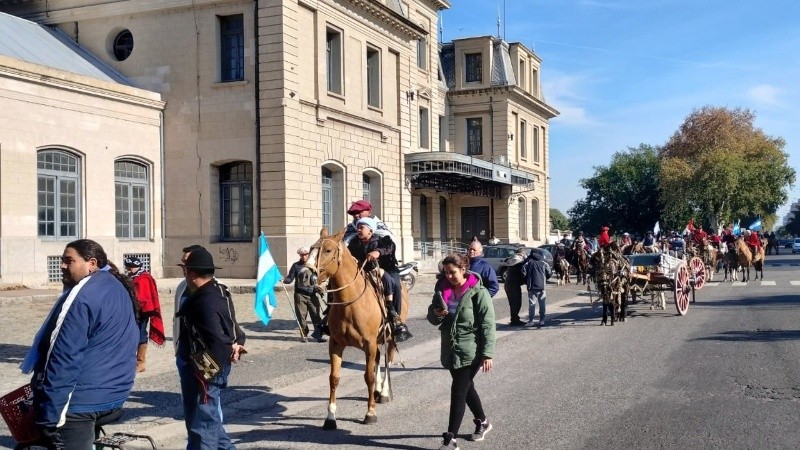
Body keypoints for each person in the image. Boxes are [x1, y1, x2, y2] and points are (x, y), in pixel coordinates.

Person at [21, 239, 140, 449]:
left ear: (91, 263)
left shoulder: (83, 296)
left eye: (69, 261)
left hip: (81, 402)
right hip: (114, 393)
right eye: (62, 260)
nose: (62, 266)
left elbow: (64, 357)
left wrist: (50, 417)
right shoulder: (115, 285)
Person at [176, 246, 245, 450]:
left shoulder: (204, 300)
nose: (184, 274)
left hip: (205, 369)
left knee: (202, 425)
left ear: (193, 273)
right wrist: (238, 341)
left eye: (185, 269)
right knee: (211, 422)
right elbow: (231, 325)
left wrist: (206, 374)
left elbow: (217, 340)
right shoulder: (217, 290)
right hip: (207, 366)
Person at [428, 253, 496, 450]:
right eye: (446, 272)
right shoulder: (442, 290)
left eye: (453, 272)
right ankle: (483, 422)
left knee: (458, 391)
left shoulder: (478, 292)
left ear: (463, 270)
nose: (449, 276)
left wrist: (487, 353)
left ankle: (451, 439)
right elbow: (431, 318)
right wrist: (437, 314)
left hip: (471, 350)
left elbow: (488, 325)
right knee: (466, 389)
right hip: (450, 349)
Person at [347, 217, 411, 341]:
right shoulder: (354, 242)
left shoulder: (382, 239)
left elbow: (390, 247)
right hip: (363, 270)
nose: (359, 230)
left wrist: (378, 252)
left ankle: (396, 318)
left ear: (370, 231)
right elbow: (348, 253)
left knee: (394, 284)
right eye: (358, 228)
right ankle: (328, 317)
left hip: (386, 269)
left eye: (362, 228)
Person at [124, 256, 165, 373]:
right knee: (131, 334)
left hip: (143, 311)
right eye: (128, 268)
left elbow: (145, 296)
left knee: (141, 333)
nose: (129, 270)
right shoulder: (130, 277)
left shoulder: (144, 278)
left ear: (137, 267)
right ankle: (130, 360)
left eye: (130, 268)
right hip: (131, 310)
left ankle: (141, 362)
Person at [283, 247, 326, 343]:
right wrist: (283, 280)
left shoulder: (314, 265)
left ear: (309, 254)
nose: (304, 256)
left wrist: (321, 288)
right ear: (299, 255)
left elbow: (320, 278)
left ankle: (318, 335)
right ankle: (304, 335)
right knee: (301, 316)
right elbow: (290, 278)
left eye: (306, 254)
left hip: (312, 294)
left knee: (316, 315)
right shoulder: (296, 266)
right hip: (300, 295)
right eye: (302, 255)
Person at [522, 248, 552, 327]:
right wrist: (545, 279)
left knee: (532, 304)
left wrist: (526, 281)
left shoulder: (528, 262)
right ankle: (542, 320)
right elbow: (549, 272)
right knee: (542, 304)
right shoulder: (543, 262)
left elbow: (523, 272)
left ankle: (531, 321)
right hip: (542, 286)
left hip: (532, 286)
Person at [503, 249, 526, 326]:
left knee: (512, 303)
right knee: (517, 303)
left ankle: (514, 319)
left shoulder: (511, 259)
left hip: (507, 284)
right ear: (522, 254)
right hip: (514, 285)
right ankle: (515, 320)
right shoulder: (519, 262)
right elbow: (522, 274)